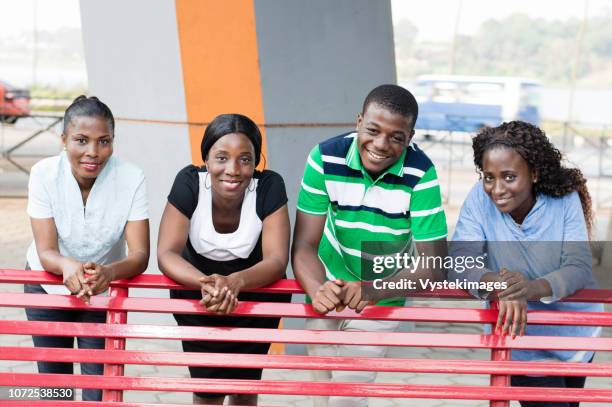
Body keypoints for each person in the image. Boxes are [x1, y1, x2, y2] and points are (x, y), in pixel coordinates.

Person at [292, 84, 448, 407]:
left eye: (396, 137)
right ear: (359, 120)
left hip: (382, 291)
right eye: (373, 130)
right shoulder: (324, 157)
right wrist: (317, 287)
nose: (381, 145)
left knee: (347, 399)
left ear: (411, 136)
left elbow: (434, 266)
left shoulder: (421, 173)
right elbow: (304, 244)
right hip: (328, 288)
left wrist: (369, 288)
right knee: (322, 398)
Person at [450, 120, 603, 407]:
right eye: (488, 177)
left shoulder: (563, 199)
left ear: (533, 173)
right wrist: (498, 284)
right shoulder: (478, 199)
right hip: (521, 335)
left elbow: (578, 266)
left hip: (575, 330)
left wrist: (528, 288)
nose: (496, 189)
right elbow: (460, 260)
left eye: (509, 177)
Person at [157, 113, 291, 405]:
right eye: (221, 157)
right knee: (207, 390)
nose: (233, 169)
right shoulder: (189, 183)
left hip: (256, 296)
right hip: (198, 298)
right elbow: (167, 253)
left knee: (245, 388)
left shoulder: (269, 186)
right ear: (206, 158)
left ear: (256, 161)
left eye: (245, 159)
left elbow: (277, 260)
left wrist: (235, 282)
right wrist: (209, 284)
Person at [25, 95, 150, 401]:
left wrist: (108, 272)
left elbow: (139, 254)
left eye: (104, 141)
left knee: (98, 390)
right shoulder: (43, 173)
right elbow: (46, 251)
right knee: (56, 387)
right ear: (64, 139)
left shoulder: (132, 177)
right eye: (81, 140)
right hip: (47, 287)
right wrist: (67, 266)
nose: (93, 152)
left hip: (102, 290)